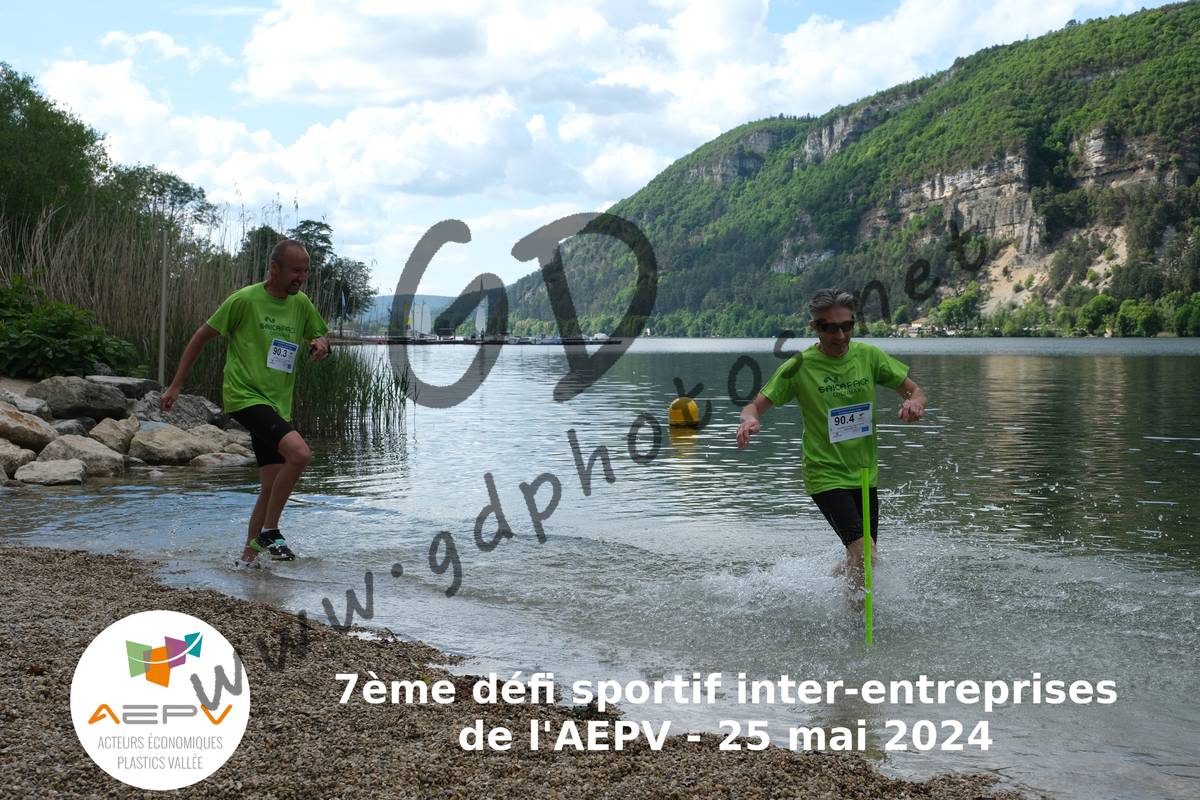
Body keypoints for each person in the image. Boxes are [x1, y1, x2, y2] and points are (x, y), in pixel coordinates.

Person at [735, 288, 926, 594]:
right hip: (825, 473)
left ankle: (823, 587)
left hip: (864, 472)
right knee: (866, 554)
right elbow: (753, 406)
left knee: (862, 556)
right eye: (831, 328)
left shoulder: (869, 357)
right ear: (815, 327)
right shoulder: (800, 366)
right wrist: (750, 420)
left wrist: (913, 403)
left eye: (847, 326)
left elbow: (915, 391)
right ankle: (855, 618)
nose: (840, 336)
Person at [161, 239, 331, 568]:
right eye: (295, 270)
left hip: (277, 404)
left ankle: (247, 563)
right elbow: (201, 336)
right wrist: (176, 385)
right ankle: (270, 531)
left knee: (269, 486)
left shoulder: (301, 304)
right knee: (299, 454)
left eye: (306, 271)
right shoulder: (245, 300)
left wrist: (321, 343)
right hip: (244, 396)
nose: (301, 277)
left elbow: (320, 334)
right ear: (274, 268)